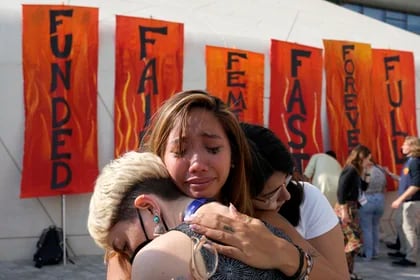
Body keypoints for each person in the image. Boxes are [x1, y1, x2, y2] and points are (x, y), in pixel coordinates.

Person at [88, 151, 301, 279]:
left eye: (124, 245)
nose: (128, 260)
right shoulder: (261, 227)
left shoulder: (154, 259)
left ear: (149, 207)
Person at [242, 123, 349, 278]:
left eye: (287, 180)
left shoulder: (307, 198)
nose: (286, 196)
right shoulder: (210, 215)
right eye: (270, 194)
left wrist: (285, 246)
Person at [334, 144, 372, 280]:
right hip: (346, 208)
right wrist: (344, 211)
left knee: (347, 241)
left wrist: (367, 172)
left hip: (352, 207)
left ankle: (347, 272)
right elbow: (341, 191)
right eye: (368, 158)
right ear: (362, 157)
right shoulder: (350, 170)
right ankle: (344, 271)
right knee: (354, 240)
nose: (369, 161)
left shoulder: (356, 171)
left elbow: (364, 187)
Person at [389, 136, 420, 267]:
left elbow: (416, 184)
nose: (402, 147)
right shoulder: (409, 162)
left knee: (409, 229)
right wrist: (391, 175)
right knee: (400, 225)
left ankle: (411, 258)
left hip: (412, 201)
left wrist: (400, 199)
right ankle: (403, 250)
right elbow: (406, 181)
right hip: (405, 201)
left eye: (405, 145)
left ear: (412, 147)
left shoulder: (415, 162)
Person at [358, 160, 387, 261]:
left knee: (367, 228)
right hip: (379, 198)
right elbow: (384, 186)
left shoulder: (364, 171)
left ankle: (368, 253)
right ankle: (375, 251)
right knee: (375, 226)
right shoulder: (380, 170)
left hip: (367, 198)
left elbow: (360, 186)